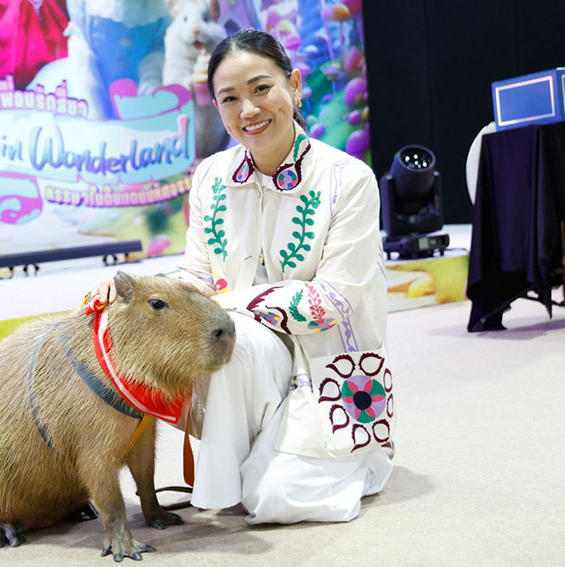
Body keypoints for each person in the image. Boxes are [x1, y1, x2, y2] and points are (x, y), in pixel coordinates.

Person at [90, 28, 393, 525]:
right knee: (230, 336)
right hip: (250, 368)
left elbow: (329, 303)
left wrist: (224, 304)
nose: (248, 109)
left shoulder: (348, 179)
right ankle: (241, 466)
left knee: (275, 498)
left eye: (261, 88)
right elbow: (195, 275)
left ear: (294, 86)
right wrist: (136, 291)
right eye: (230, 98)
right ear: (216, 107)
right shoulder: (211, 176)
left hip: (328, 375)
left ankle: (349, 460)